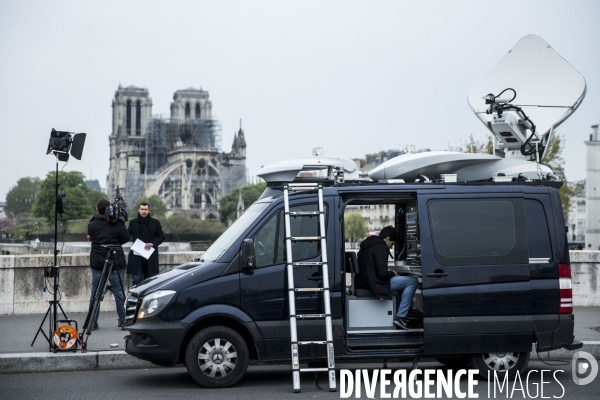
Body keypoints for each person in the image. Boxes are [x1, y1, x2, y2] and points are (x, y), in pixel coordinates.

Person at [355, 226, 419, 330]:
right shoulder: (381, 248)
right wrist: (392, 273)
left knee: (404, 282)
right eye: (392, 244)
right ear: (387, 238)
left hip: (364, 281)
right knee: (412, 281)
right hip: (376, 282)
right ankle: (401, 316)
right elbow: (383, 274)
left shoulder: (368, 245)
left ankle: (398, 312)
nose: (391, 247)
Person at [88, 199, 129, 330]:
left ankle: (92, 322)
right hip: (116, 261)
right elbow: (126, 238)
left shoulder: (92, 224)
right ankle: (123, 321)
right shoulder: (116, 224)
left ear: (97, 209)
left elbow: (93, 237)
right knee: (119, 293)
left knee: (96, 293)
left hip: (98, 262)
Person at [126, 203, 165, 286]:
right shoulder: (133, 222)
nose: (144, 211)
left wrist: (152, 244)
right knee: (136, 280)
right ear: (139, 210)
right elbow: (126, 235)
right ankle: (136, 298)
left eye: (145, 209)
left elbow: (162, 237)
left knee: (150, 282)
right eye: (142, 209)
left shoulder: (155, 222)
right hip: (137, 256)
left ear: (149, 210)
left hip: (150, 256)